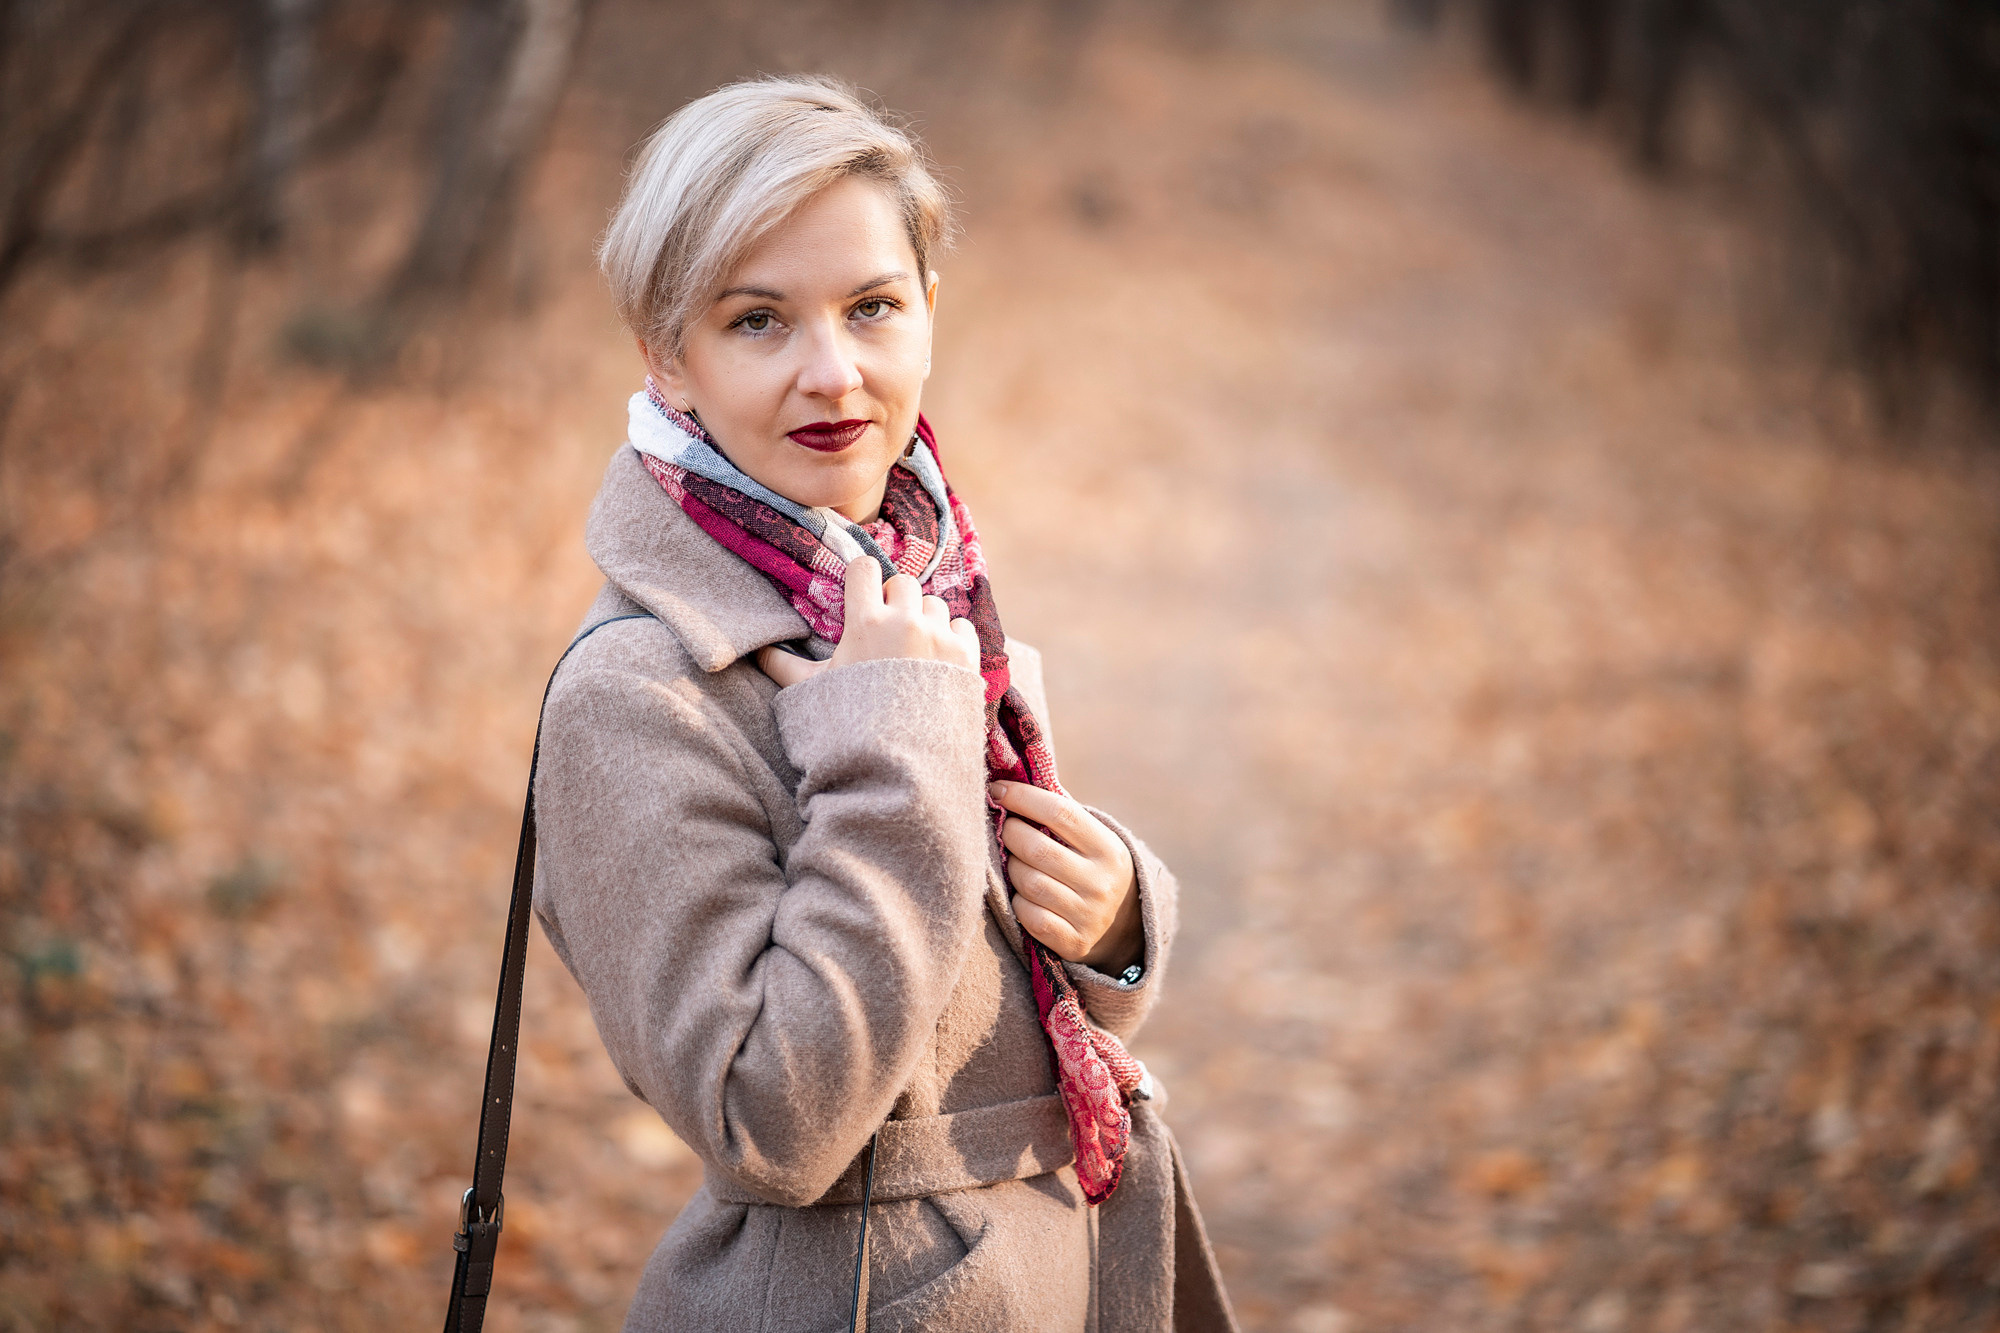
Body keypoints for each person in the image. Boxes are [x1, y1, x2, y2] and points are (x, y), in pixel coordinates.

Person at [532, 75, 1236, 1332]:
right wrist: (891, 754)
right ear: (665, 354)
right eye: (758, 321)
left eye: (872, 307)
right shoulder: (634, 693)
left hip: (1064, 1264)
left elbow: (969, 970)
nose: (833, 372)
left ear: (926, 315)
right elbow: (768, 1123)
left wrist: (1115, 914)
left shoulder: (917, 583)